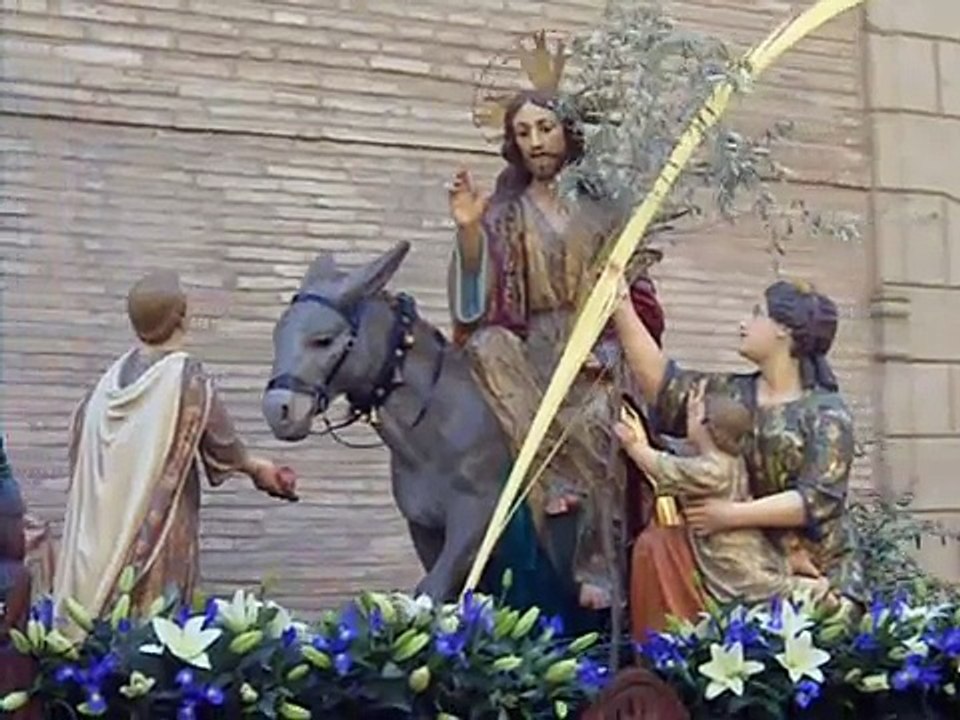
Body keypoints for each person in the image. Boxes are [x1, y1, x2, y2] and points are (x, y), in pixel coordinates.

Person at [448, 73, 666, 628]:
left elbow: (640, 298)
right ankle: (550, 482)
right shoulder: (505, 211)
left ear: (568, 132)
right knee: (487, 348)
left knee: (598, 418)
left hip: (596, 347)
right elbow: (478, 306)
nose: (536, 141)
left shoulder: (605, 209)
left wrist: (611, 342)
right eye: (523, 132)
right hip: (530, 349)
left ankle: (599, 566)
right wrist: (470, 233)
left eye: (545, 127)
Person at [612, 277, 866, 636]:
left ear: (784, 331)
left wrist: (730, 515)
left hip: (812, 564)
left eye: (757, 313)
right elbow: (664, 386)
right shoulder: (731, 394)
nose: (743, 323)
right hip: (733, 556)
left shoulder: (826, 413)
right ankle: (670, 666)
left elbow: (817, 499)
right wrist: (620, 306)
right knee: (656, 548)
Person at [52, 271, 297, 637]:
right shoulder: (185, 377)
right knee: (151, 626)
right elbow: (224, 444)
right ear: (181, 316)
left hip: (97, 532)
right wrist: (258, 467)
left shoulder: (106, 383)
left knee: (95, 627)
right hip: (158, 525)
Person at [615, 384, 829, 608]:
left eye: (693, 415)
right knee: (762, 571)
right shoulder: (730, 461)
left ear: (707, 426)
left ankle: (820, 592)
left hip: (727, 554)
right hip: (749, 544)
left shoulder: (710, 469)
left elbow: (666, 468)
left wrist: (634, 447)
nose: (689, 421)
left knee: (757, 590)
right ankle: (788, 563)